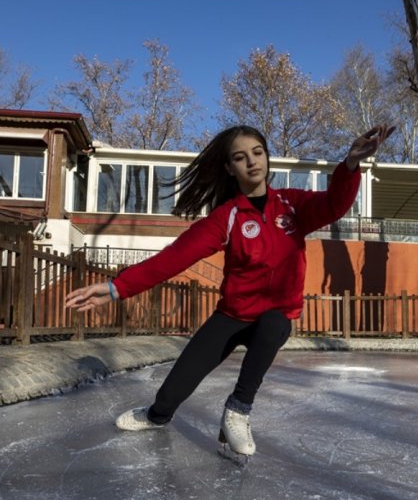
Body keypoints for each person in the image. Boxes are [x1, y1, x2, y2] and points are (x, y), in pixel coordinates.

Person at [65, 124, 395, 459]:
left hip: (272, 319)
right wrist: (116, 287)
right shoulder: (226, 218)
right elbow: (173, 258)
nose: (252, 162)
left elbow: (334, 204)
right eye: (240, 157)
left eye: (257, 153)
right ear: (229, 168)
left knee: (277, 322)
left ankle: (238, 411)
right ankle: (156, 415)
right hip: (232, 316)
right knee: (173, 390)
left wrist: (350, 164)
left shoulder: (292, 205)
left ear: (267, 157)